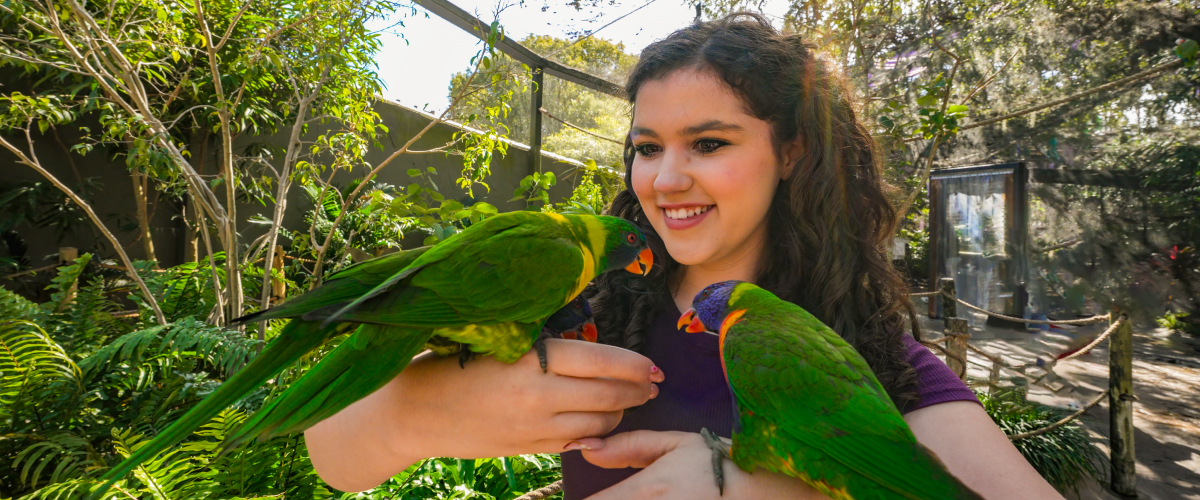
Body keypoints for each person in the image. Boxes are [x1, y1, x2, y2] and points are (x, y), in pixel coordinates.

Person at [305, 13, 1064, 500]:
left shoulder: (863, 361)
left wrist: (762, 488)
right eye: (646, 148)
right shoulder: (585, 312)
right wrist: (420, 413)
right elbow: (332, 456)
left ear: (791, 153)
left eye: (708, 143)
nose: (665, 181)